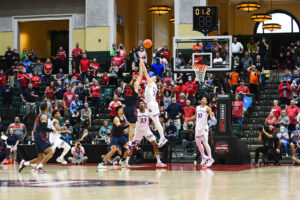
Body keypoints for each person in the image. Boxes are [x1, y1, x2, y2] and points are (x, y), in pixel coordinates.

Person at [127, 101, 166, 167]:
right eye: (140, 104)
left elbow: (154, 118)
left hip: (147, 130)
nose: (142, 105)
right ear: (138, 106)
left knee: (155, 144)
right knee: (132, 146)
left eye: (143, 104)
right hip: (138, 131)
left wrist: (155, 123)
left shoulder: (148, 111)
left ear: (145, 105)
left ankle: (158, 162)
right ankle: (126, 161)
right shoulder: (136, 111)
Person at [19, 102, 54, 174]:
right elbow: (44, 127)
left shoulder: (38, 116)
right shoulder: (44, 116)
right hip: (41, 136)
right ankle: (38, 168)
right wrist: (51, 130)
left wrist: (35, 137)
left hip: (37, 136)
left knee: (40, 158)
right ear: (46, 107)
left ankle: (24, 164)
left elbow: (34, 128)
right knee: (50, 152)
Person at [122, 57, 143, 142]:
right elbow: (140, 76)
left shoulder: (124, 85)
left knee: (131, 126)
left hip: (125, 108)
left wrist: (132, 69)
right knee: (132, 127)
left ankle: (130, 142)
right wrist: (141, 66)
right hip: (132, 108)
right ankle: (131, 143)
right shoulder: (134, 86)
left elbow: (128, 77)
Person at [194, 97, 216, 167]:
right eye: (202, 99)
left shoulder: (207, 108)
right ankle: (203, 157)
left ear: (206, 102)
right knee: (198, 143)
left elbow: (211, 115)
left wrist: (212, 116)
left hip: (204, 127)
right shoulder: (197, 107)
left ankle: (210, 158)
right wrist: (188, 119)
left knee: (205, 143)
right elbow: (195, 116)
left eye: (204, 99)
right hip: (198, 127)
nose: (203, 100)